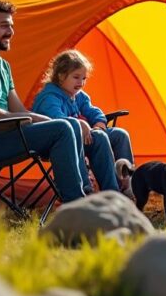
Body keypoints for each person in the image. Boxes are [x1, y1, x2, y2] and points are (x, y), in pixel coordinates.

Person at [0, 0, 111, 203]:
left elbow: (19, 109)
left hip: (9, 133)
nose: (10, 32)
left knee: (67, 125)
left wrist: (52, 123)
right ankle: (77, 203)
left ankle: (111, 199)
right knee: (64, 128)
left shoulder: (2, 65)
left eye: (11, 26)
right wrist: (25, 121)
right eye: (3, 26)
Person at [32, 49, 133, 193]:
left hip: (84, 139)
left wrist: (99, 123)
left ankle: (126, 182)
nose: (81, 82)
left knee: (119, 134)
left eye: (84, 78)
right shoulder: (49, 97)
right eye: (76, 77)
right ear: (61, 76)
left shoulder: (79, 96)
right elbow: (57, 122)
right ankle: (110, 191)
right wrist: (82, 124)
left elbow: (92, 111)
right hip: (57, 145)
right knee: (99, 137)